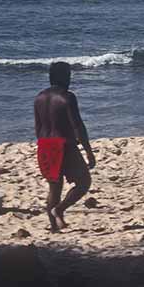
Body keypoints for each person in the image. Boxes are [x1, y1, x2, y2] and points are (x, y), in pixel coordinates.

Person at [34, 61, 96, 232]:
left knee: (54, 187)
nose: (70, 79)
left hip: (45, 145)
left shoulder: (39, 97)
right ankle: (59, 209)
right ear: (62, 77)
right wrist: (88, 151)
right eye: (68, 75)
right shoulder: (67, 97)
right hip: (64, 145)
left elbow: (38, 128)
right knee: (84, 182)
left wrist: (44, 145)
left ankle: (54, 227)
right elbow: (78, 126)